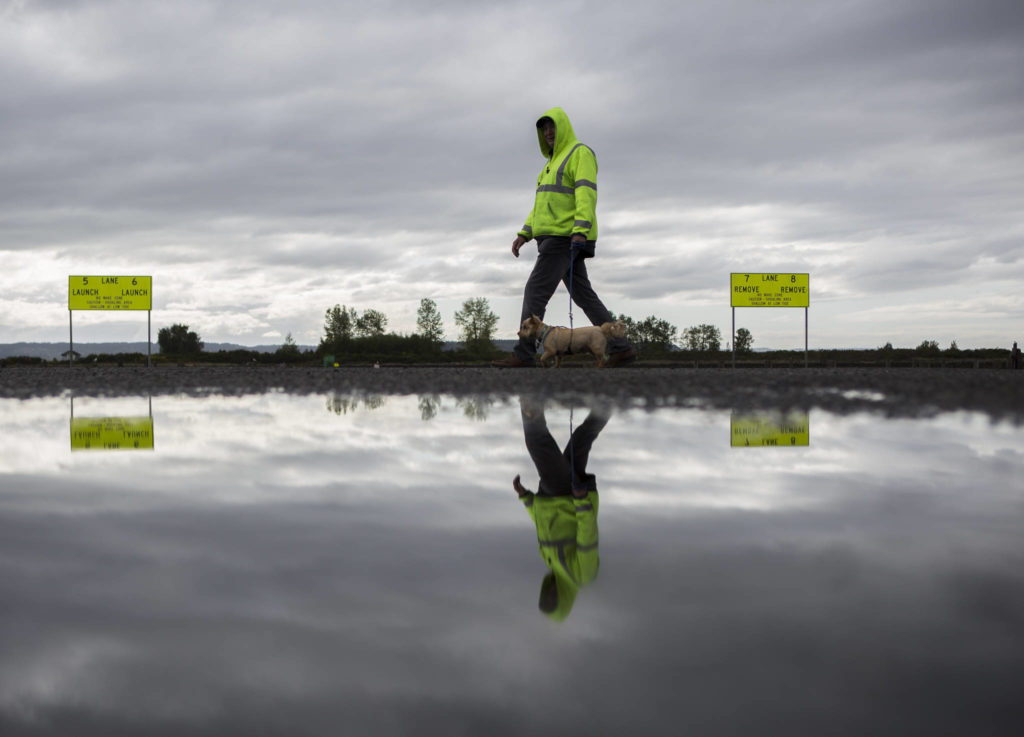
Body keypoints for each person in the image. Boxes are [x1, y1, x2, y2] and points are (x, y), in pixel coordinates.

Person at [492, 107, 636, 368]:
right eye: (544, 128)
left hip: (565, 238)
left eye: (553, 127)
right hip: (553, 238)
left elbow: (586, 193)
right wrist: (524, 233)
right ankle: (620, 348)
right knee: (584, 296)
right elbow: (541, 207)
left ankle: (524, 354)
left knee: (534, 291)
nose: (548, 132)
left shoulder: (579, 153)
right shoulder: (549, 166)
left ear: (564, 128)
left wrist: (580, 229)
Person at [512, 397, 609, 620]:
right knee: (537, 442)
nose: (551, 592)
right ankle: (530, 397)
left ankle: (610, 399)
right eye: (553, 599)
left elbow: (544, 523)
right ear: (564, 600)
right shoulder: (582, 576)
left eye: (545, 596)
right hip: (567, 496)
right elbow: (588, 536)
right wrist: (582, 501)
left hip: (551, 497)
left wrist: (525, 498)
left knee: (581, 439)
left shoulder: (551, 564)